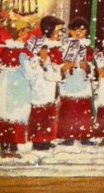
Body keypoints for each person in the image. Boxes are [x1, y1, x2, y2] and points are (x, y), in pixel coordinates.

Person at [0, 22, 33, 158]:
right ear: (20, 33)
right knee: (16, 115)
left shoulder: (5, 50)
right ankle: (13, 147)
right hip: (17, 87)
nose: (27, 34)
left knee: (5, 115)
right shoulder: (22, 52)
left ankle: (4, 146)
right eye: (25, 31)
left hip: (4, 86)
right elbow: (29, 72)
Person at [27, 15, 72, 151]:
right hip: (41, 84)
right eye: (58, 30)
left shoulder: (57, 47)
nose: (61, 33)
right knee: (40, 112)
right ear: (49, 30)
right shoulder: (41, 46)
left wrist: (63, 68)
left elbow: (56, 66)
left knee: (49, 111)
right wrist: (59, 69)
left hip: (50, 85)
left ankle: (46, 138)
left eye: (62, 30)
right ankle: (38, 140)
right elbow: (43, 67)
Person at [57, 17, 94, 146]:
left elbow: (93, 68)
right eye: (75, 29)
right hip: (69, 81)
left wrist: (87, 67)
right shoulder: (64, 47)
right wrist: (65, 67)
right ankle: (68, 135)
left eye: (82, 30)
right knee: (68, 109)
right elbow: (58, 65)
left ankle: (84, 135)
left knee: (83, 109)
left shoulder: (88, 48)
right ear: (70, 31)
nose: (79, 32)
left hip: (82, 82)